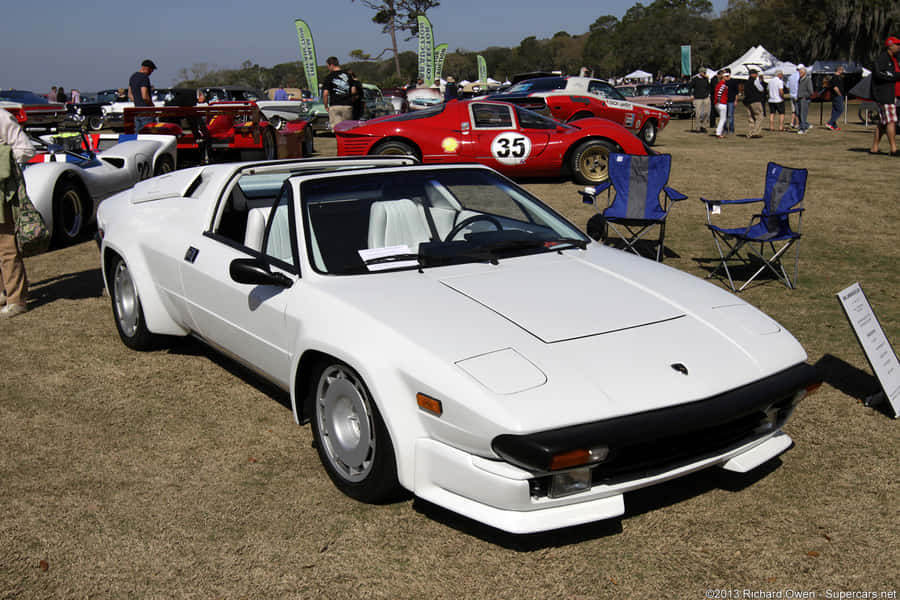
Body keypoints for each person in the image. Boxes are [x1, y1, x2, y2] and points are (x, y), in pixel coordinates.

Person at [0, 108, 36, 318]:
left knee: (6, 246)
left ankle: (16, 299)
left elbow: (25, 149)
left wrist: (3, 158)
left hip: (3, 192)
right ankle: (4, 293)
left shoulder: (2, 116)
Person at [870, 36, 900, 155]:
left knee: (883, 123)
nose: (899, 47)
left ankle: (874, 148)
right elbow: (879, 75)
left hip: (894, 94)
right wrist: (896, 75)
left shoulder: (895, 58)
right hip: (885, 94)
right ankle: (894, 149)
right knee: (891, 121)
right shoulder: (882, 59)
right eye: (897, 45)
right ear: (890, 46)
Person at [321, 56, 356, 129]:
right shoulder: (348, 75)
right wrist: (352, 100)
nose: (328, 68)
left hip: (335, 106)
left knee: (337, 129)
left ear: (331, 65)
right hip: (347, 106)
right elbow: (353, 90)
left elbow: (325, 94)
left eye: (328, 66)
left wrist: (326, 106)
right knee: (348, 128)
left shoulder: (329, 77)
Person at [128, 59, 157, 133]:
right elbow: (145, 96)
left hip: (137, 110)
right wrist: (152, 106)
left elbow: (130, 94)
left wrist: (138, 101)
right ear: (147, 69)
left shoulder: (133, 77)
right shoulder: (144, 77)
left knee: (138, 134)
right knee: (148, 133)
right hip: (146, 111)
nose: (151, 73)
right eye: (151, 70)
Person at [743, 68, 766, 138]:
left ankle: (750, 132)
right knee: (759, 116)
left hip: (748, 101)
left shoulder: (746, 83)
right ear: (753, 74)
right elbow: (761, 89)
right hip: (755, 100)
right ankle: (756, 132)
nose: (757, 75)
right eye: (756, 74)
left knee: (751, 117)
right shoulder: (755, 81)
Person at [689, 67, 710, 132]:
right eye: (703, 72)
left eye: (705, 72)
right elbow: (690, 87)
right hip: (698, 98)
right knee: (698, 113)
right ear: (700, 72)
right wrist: (691, 95)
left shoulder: (706, 79)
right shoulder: (695, 79)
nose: (704, 73)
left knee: (706, 112)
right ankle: (697, 127)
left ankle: (703, 126)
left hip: (706, 97)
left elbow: (709, 87)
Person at [824, 66, 845, 130]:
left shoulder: (838, 77)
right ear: (839, 70)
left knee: (835, 110)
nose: (843, 71)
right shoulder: (835, 77)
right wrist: (839, 94)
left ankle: (834, 125)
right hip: (837, 96)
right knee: (840, 110)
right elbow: (835, 87)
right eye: (842, 69)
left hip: (835, 96)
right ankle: (830, 123)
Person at [796, 65, 813, 134]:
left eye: (800, 71)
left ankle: (802, 128)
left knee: (803, 114)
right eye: (799, 72)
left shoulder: (808, 79)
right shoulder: (799, 80)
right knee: (798, 113)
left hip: (804, 99)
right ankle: (805, 126)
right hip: (798, 99)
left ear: (804, 72)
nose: (799, 73)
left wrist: (804, 96)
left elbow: (811, 91)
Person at [714, 69, 730, 138]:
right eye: (727, 76)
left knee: (722, 118)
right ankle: (718, 133)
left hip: (717, 103)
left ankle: (719, 132)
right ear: (723, 77)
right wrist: (719, 100)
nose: (728, 77)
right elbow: (719, 93)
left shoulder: (719, 84)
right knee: (723, 119)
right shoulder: (723, 85)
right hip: (722, 103)